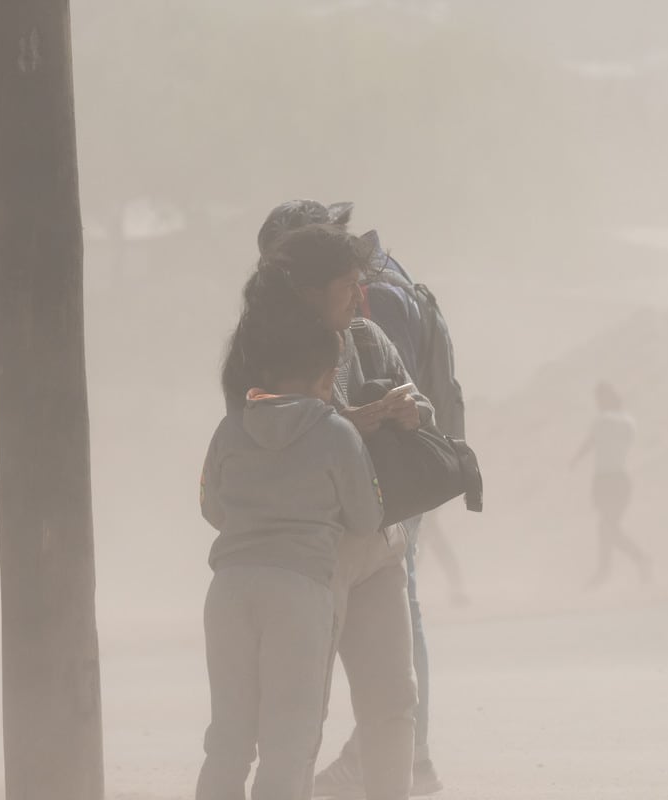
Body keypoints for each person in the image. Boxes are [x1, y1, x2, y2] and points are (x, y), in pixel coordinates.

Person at [228, 220, 431, 800]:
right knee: (301, 717)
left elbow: (421, 403)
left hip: (379, 546)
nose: (356, 297)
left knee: (393, 702)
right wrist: (353, 424)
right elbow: (260, 440)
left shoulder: (368, 337)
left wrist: (413, 412)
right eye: (346, 285)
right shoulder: (262, 358)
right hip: (311, 553)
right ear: (312, 289)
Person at [197, 312, 385, 800]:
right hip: (300, 590)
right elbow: (366, 519)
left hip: (230, 586)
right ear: (327, 377)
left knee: (228, 739)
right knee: (288, 740)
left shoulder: (230, 426)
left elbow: (212, 507)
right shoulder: (338, 432)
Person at [571, 381, 652, 586]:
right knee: (607, 528)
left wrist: (576, 459)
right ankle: (607, 570)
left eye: (598, 398)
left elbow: (591, 442)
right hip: (620, 479)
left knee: (608, 528)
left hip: (606, 480)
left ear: (605, 398)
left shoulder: (602, 420)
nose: (597, 403)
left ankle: (634, 561)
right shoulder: (629, 421)